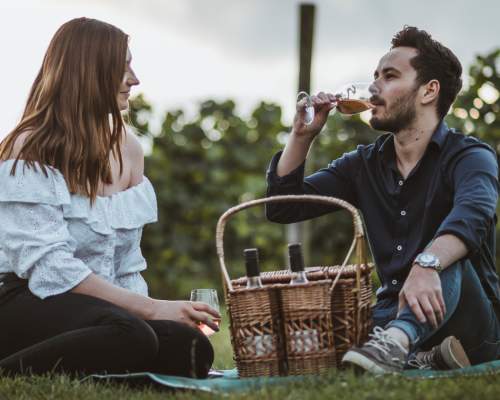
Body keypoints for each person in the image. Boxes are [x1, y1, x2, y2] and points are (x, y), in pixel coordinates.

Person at [266, 26, 500, 373]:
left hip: (470, 326)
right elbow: (283, 206)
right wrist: (301, 137)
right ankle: (420, 357)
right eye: (374, 76)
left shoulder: (470, 156)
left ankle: (400, 344)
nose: (374, 87)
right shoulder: (363, 164)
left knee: (444, 259)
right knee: (323, 341)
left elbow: (475, 215)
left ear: (428, 91)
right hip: (387, 316)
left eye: (389, 77)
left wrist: (427, 264)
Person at [0, 17, 220, 378]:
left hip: (96, 310)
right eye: (123, 68)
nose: (134, 79)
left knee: (189, 345)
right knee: (133, 335)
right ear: (89, 72)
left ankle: (106, 363)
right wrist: (150, 309)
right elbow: (50, 268)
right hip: (23, 297)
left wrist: (154, 315)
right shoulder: (30, 147)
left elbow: (126, 266)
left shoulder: (129, 149)